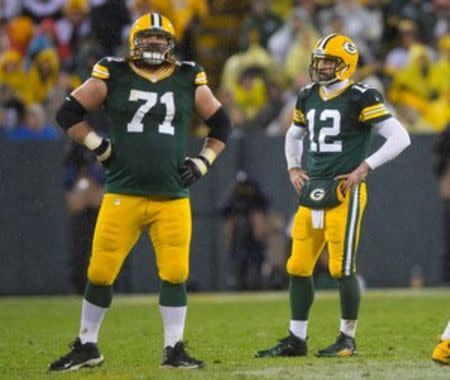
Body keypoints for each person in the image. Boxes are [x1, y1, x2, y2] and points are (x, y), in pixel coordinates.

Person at [48, 13, 231, 371]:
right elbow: (68, 112)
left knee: (175, 273)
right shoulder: (113, 71)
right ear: (134, 41)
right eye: (147, 38)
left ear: (171, 44)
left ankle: (174, 349)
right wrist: (99, 147)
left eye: (161, 39)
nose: (154, 44)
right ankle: (87, 345)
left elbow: (222, 123)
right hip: (124, 192)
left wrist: (203, 162)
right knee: (100, 272)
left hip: (172, 195)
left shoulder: (186, 75)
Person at [255, 33, 410, 358]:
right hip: (312, 190)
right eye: (320, 60)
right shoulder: (308, 94)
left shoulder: (361, 96)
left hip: (344, 190)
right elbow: (293, 134)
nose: (322, 66)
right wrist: (293, 167)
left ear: (347, 64)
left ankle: (346, 339)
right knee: (297, 265)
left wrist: (364, 167)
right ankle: (296, 339)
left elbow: (400, 137)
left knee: (341, 268)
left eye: (329, 61)